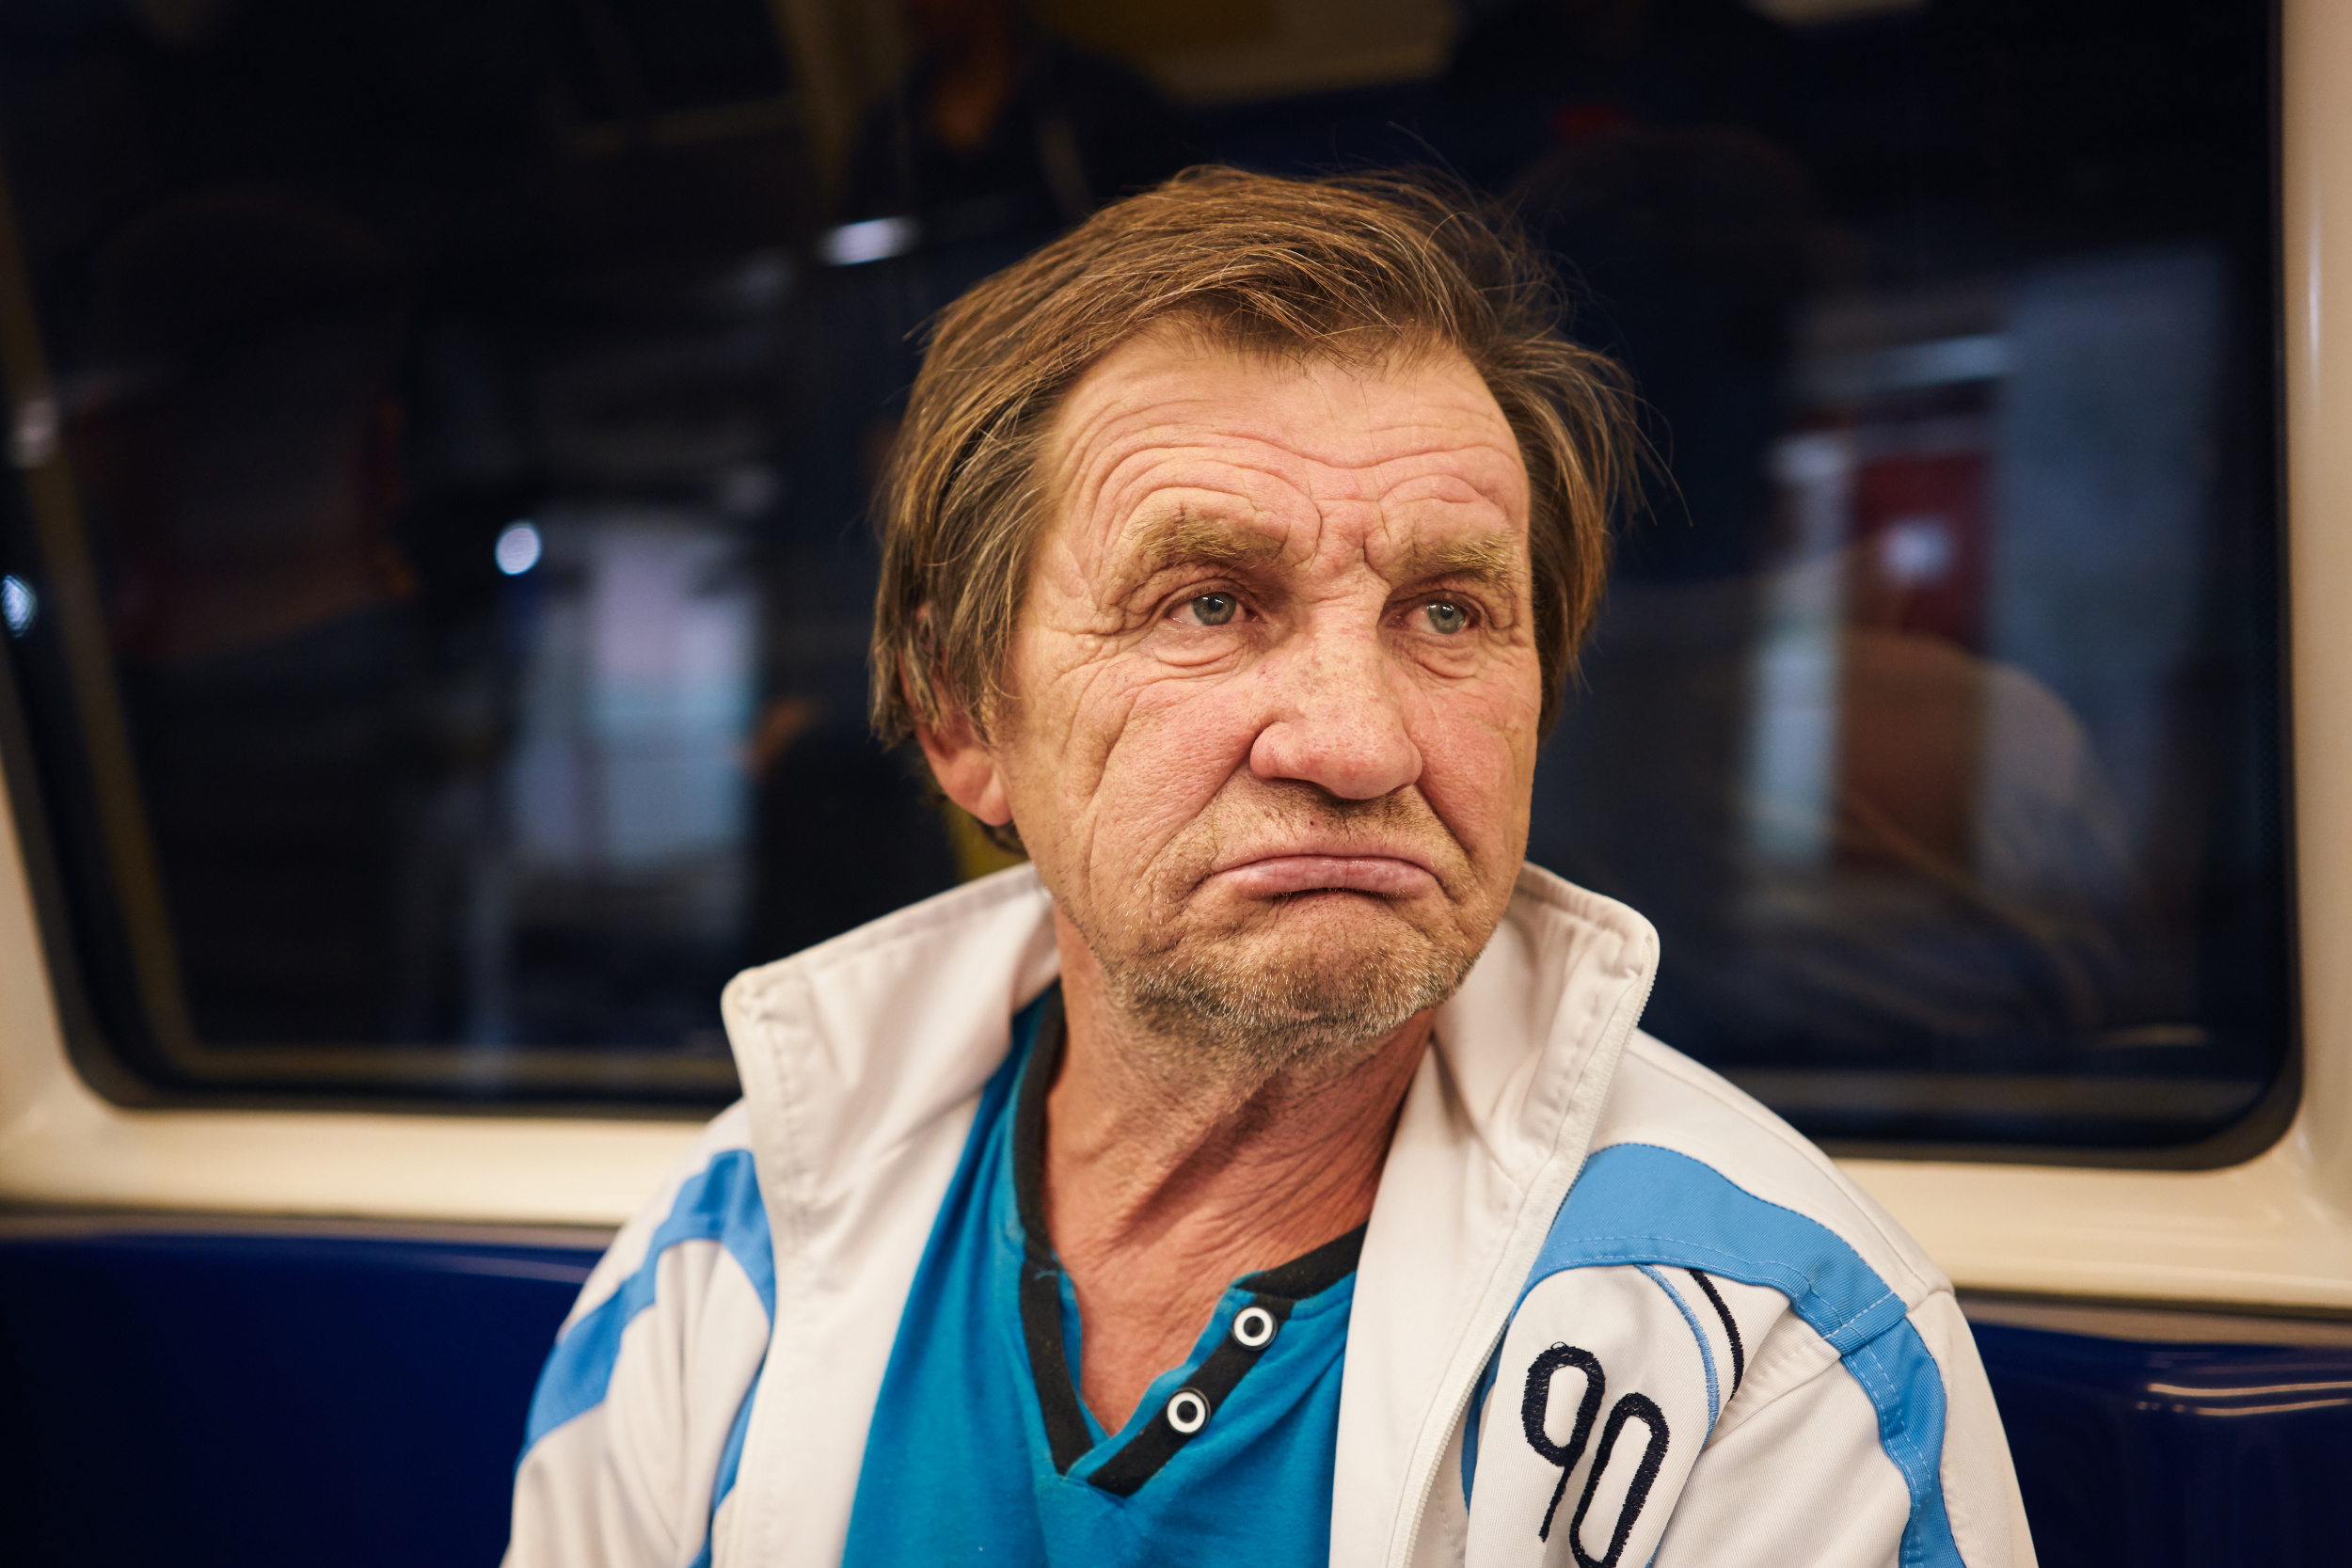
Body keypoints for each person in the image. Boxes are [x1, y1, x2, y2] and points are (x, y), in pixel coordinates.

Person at [504, 169, 2034, 1567]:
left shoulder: (1766, 1361)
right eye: (1210, 603)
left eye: (1447, 613)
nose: (1359, 744)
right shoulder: (726, 1265)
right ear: (965, 718)